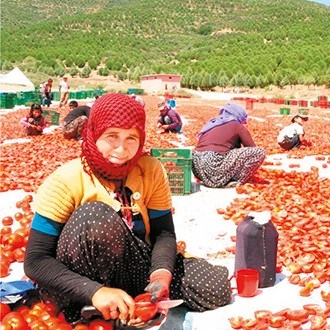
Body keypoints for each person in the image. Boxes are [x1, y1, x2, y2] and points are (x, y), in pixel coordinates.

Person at [24, 93, 231, 325]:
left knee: (215, 288)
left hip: (131, 264)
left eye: (131, 138)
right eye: (112, 136)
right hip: (80, 277)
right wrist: (96, 291)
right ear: (93, 132)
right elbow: (35, 260)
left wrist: (160, 276)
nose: (122, 149)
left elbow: (163, 233)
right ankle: (95, 308)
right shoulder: (66, 180)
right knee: (95, 216)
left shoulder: (150, 170)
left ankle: (131, 302)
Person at [192, 103, 265, 188]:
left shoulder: (213, 123)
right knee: (259, 152)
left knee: (227, 152)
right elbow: (252, 148)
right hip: (213, 164)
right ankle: (238, 181)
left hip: (197, 167)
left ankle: (221, 178)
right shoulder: (238, 126)